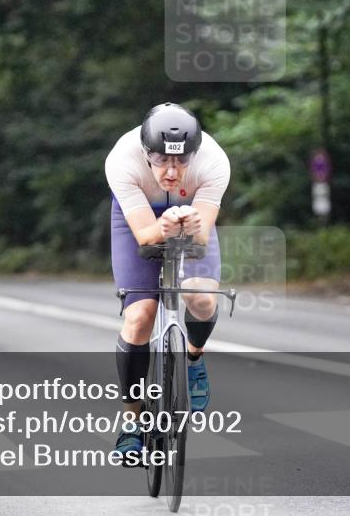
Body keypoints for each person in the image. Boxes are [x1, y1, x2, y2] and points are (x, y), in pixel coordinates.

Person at [105, 103, 230, 458]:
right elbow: (145, 236)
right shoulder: (122, 159)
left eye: (181, 161)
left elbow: (201, 237)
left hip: (193, 216)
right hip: (139, 217)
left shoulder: (214, 161)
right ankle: (131, 422)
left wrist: (192, 227)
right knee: (139, 316)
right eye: (161, 160)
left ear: (195, 153)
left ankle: (194, 357)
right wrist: (162, 227)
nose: (172, 172)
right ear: (146, 153)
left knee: (202, 299)